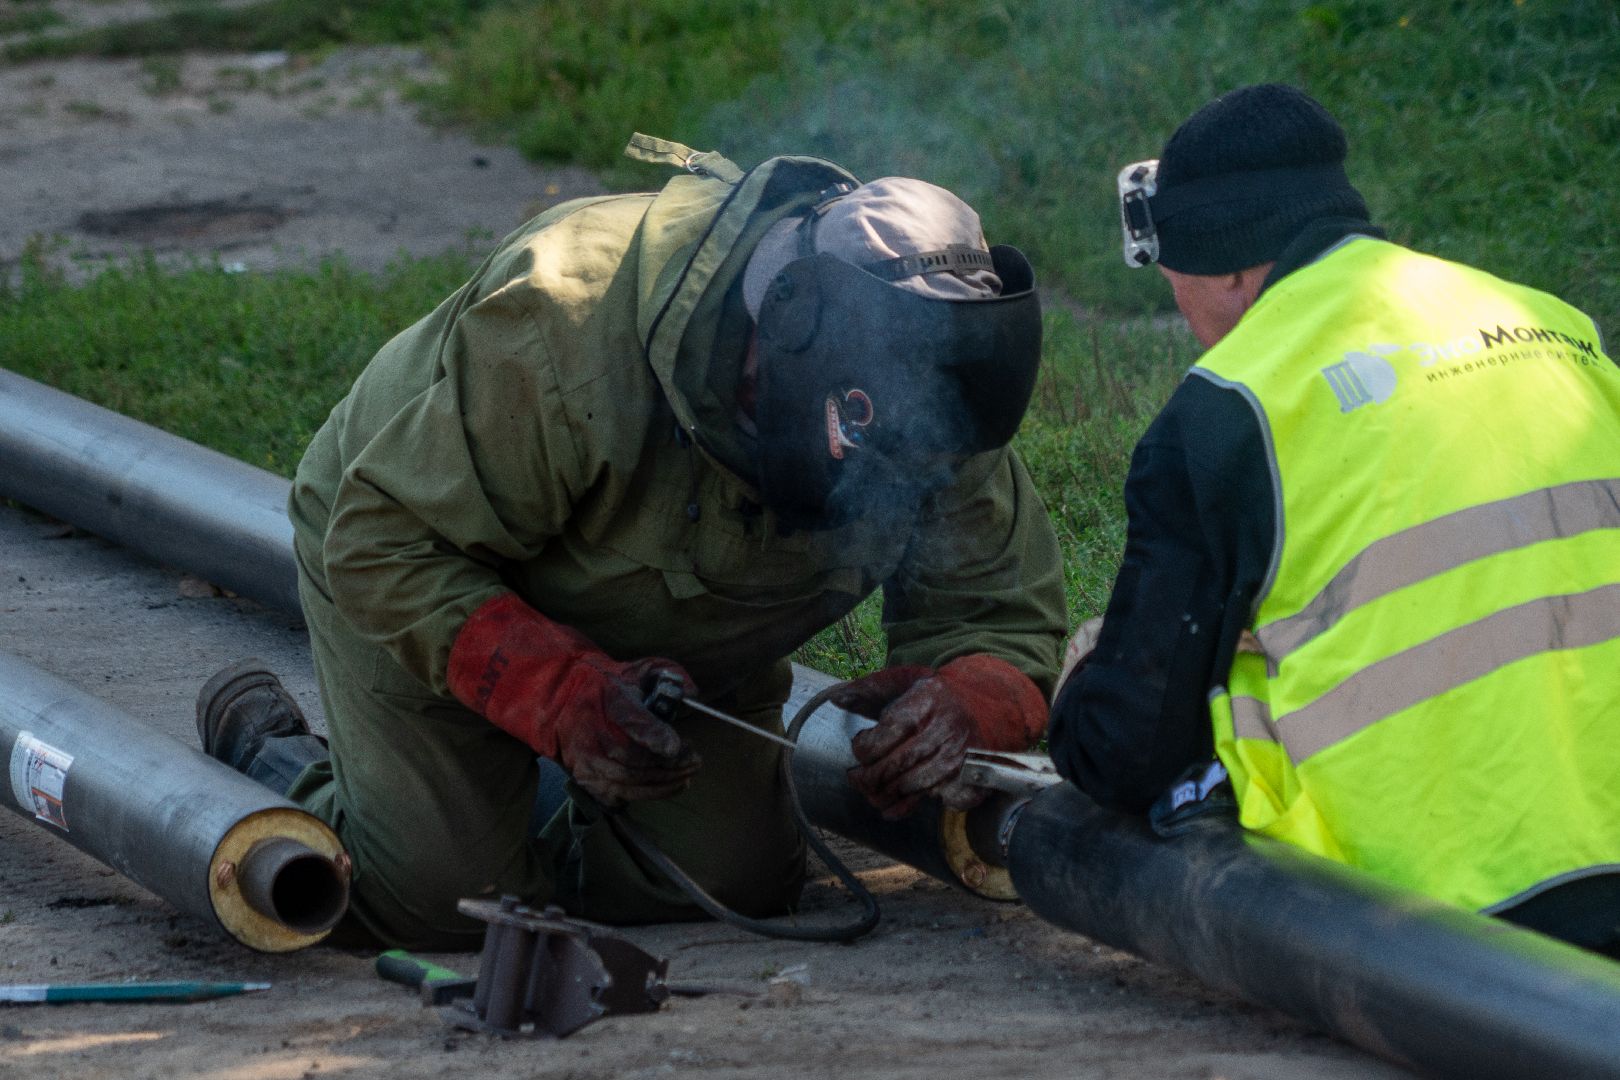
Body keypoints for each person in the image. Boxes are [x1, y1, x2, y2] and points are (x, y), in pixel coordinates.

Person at [196, 134, 1067, 949]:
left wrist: (969, 703)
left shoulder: (937, 400)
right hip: (430, 559)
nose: (896, 468)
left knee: (727, 888)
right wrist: (556, 693)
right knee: (445, 902)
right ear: (786, 336)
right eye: (863, 433)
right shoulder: (565, 322)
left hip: (682, 642)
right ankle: (273, 755)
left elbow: (997, 614)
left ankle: (517, 793)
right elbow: (386, 543)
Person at [1047, 84, 1620, 954]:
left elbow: (1128, 750)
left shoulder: (1229, 407)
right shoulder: (1552, 323)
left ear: (1228, 266)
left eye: (1175, 281)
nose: (1183, 312)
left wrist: (1082, 685)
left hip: (1460, 920)